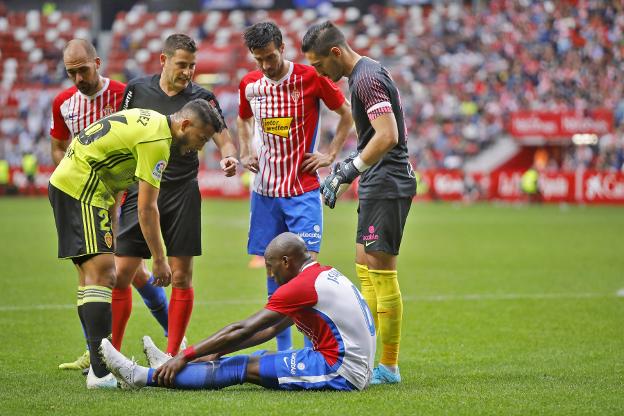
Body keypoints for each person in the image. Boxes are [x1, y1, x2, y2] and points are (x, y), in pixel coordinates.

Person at [48, 99, 225, 389]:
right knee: (103, 275)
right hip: (82, 186)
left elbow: (116, 174)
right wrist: (159, 258)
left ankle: (98, 369)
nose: (200, 147)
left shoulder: (151, 120)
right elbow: (146, 209)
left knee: (90, 278)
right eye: (201, 138)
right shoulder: (158, 141)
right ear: (185, 125)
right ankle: (101, 374)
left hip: (75, 183)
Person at [99, 232, 376, 392]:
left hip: (342, 371)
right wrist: (216, 351)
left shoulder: (300, 287)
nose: (269, 273)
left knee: (244, 367)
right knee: (257, 358)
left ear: (286, 261)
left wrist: (186, 354)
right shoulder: (320, 274)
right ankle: (164, 367)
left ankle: (140, 376)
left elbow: (243, 329)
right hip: (348, 361)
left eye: (271, 267)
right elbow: (270, 330)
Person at [302, 21, 417, 384]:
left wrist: (348, 170)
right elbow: (374, 134)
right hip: (376, 180)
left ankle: (389, 365)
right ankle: (368, 357)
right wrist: (349, 166)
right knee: (364, 266)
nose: (320, 73)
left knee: (382, 274)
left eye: (320, 65)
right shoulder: (363, 75)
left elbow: (388, 135)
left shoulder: (365, 78)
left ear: (336, 53)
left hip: (387, 181)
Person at [113, 34, 238, 358]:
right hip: (139, 189)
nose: (188, 72)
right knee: (122, 272)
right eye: (182, 64)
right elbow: (120, 132)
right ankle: (109, 353)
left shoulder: (203, 97)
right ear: (163, 61)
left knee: (182, 275)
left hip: (182, 192)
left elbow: (224, 139)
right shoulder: (137, 90)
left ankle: (172, 355)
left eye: (193, 66)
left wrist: (228, 156)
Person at [49, 39, 170, 371]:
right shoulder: (63, 102)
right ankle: (102, 350)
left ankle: (116, 351)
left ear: (98, 63)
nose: (77, 79)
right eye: (70, 73)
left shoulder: (123, 93)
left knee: (118, 271)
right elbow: (58, 147)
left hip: (128, 193)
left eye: (83, 70)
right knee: (110, 274)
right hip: (90, 194)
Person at [238, 22, 353, 351]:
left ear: (282, 48)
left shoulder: (310, 77)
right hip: (264, 193)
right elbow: (243, 119)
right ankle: (285, 353)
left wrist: (330, 153)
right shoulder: (250, 85)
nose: (266, 65)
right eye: (259, 59)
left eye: (271, 57)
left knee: (304, 273)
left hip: (302, 191)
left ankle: (312, 348)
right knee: (274, 273)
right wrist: (245, 150)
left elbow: (346, 114)